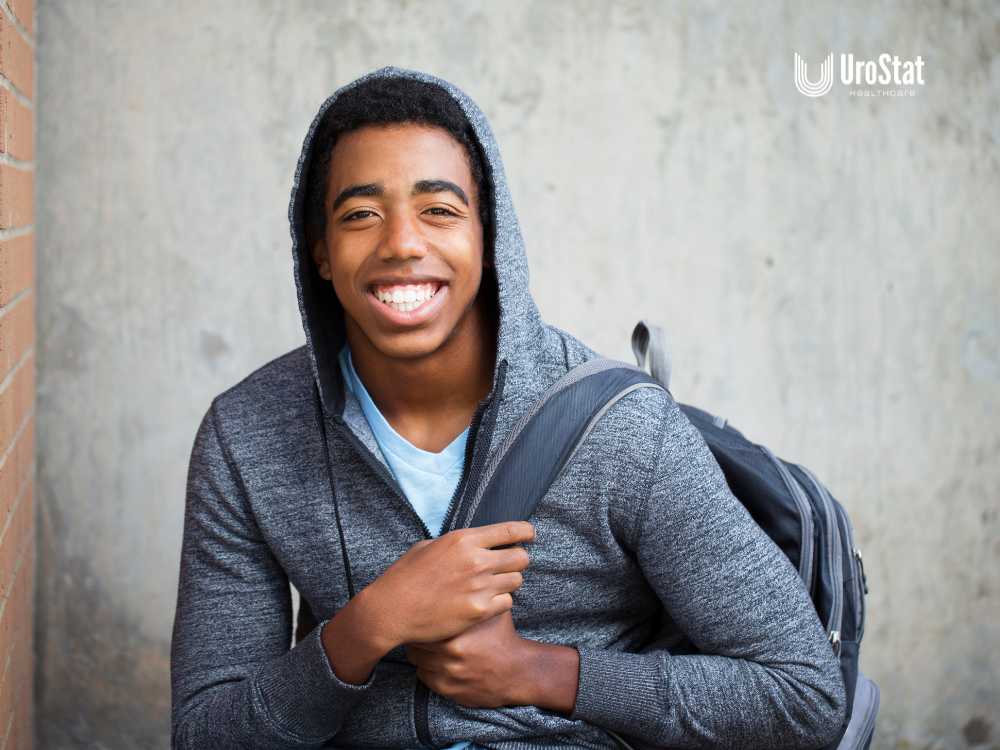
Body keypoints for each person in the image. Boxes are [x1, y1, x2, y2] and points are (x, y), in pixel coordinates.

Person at [171, 68, 846, 750]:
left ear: (489, 234)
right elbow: (206, 735)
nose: (402, 242)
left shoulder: (622, 430)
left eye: (439, 209)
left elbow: (804, 696)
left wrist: (540, 672)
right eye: (360, 214)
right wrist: (367, 626)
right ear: (319, 249)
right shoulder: (247, 436)